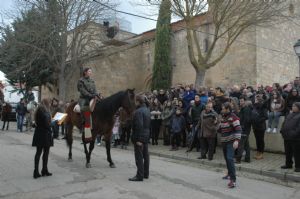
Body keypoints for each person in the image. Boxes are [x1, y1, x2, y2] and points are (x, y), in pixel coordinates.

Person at [219, 102, 242, 188]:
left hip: (231, 142)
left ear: (227, 109)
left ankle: (233, 180)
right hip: (224, 142)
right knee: (227, 159)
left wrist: (236, 140)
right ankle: (229, 174)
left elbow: (238, 130)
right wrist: (217, 126)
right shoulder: (223, 117)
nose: (222, 110)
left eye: (223, 108)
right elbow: (221, 129)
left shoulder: (234, 117)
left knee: (229, 158)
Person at [129, 95, 151, 182]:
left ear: (138, 101)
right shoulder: (147, 110)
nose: (134, 103)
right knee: (146, 156)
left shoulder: (138, 111)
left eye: (135, 101)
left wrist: (138, 139)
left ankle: (139, 175)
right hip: (146, 135)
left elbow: (139, 125)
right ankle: (145, 173)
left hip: (140, 136)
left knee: (139, 157)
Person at [32, 98, 54, 179]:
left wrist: (51, 123)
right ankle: (37, 171)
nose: (50, 104)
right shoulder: (42, 110)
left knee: (44, 153)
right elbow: (46, 123)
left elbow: (45, 122)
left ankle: (44, 170)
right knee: (41, 153)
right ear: (46, 103)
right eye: (49, 102)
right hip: (43, 134)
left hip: (43, 134)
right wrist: (53, 123)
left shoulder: (42, 110)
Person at [77, 67, 98, 142]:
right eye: (89, 71)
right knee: (86, 111)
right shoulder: (81, 81)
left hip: (92, 97)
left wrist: (97, 94)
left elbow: (95, 89)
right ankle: (84, 127)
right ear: (85, 72)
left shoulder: (92, 80)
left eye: (91, 71)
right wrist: (90, 95)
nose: (90, 73)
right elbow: (82, 91)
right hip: (84, 99)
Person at [280, 102, 300, 172]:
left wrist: (292, 134)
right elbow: (284, 123)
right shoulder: (289, 114)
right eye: (292, 106)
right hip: (286, 137)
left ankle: (298, 166)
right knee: (288, 152)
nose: (293, 107)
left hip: (295, 138)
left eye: (295, 106)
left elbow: (298, 129)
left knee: (297, 153)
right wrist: (282, 131)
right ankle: (288, 164)